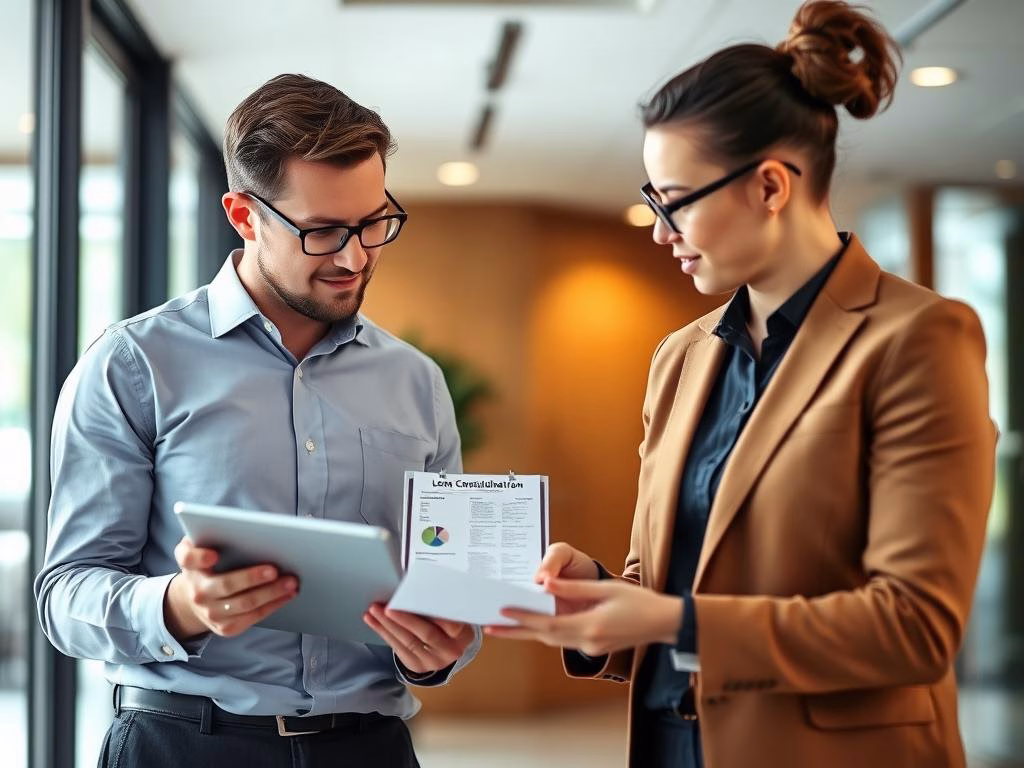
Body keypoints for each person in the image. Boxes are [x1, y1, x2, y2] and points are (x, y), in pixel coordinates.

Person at [489, 3, 998, 767]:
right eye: (651, 199)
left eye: (675, 201)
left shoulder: (919, 338)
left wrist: (671, 622)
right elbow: (661, 581)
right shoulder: (682, 356)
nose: (660, 229)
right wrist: (596, 592)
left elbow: (914, 628)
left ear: (768, 187)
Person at [35, 73, 479, 768]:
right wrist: (180, 604)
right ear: (244, 216)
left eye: (374, 223)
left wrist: (439, 649)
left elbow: (448, 586)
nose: (355, 257)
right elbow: (65, 596)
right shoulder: (134, 363)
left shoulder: (416, 382)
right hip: (180, 745)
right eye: (323, 231)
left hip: (370, 748)